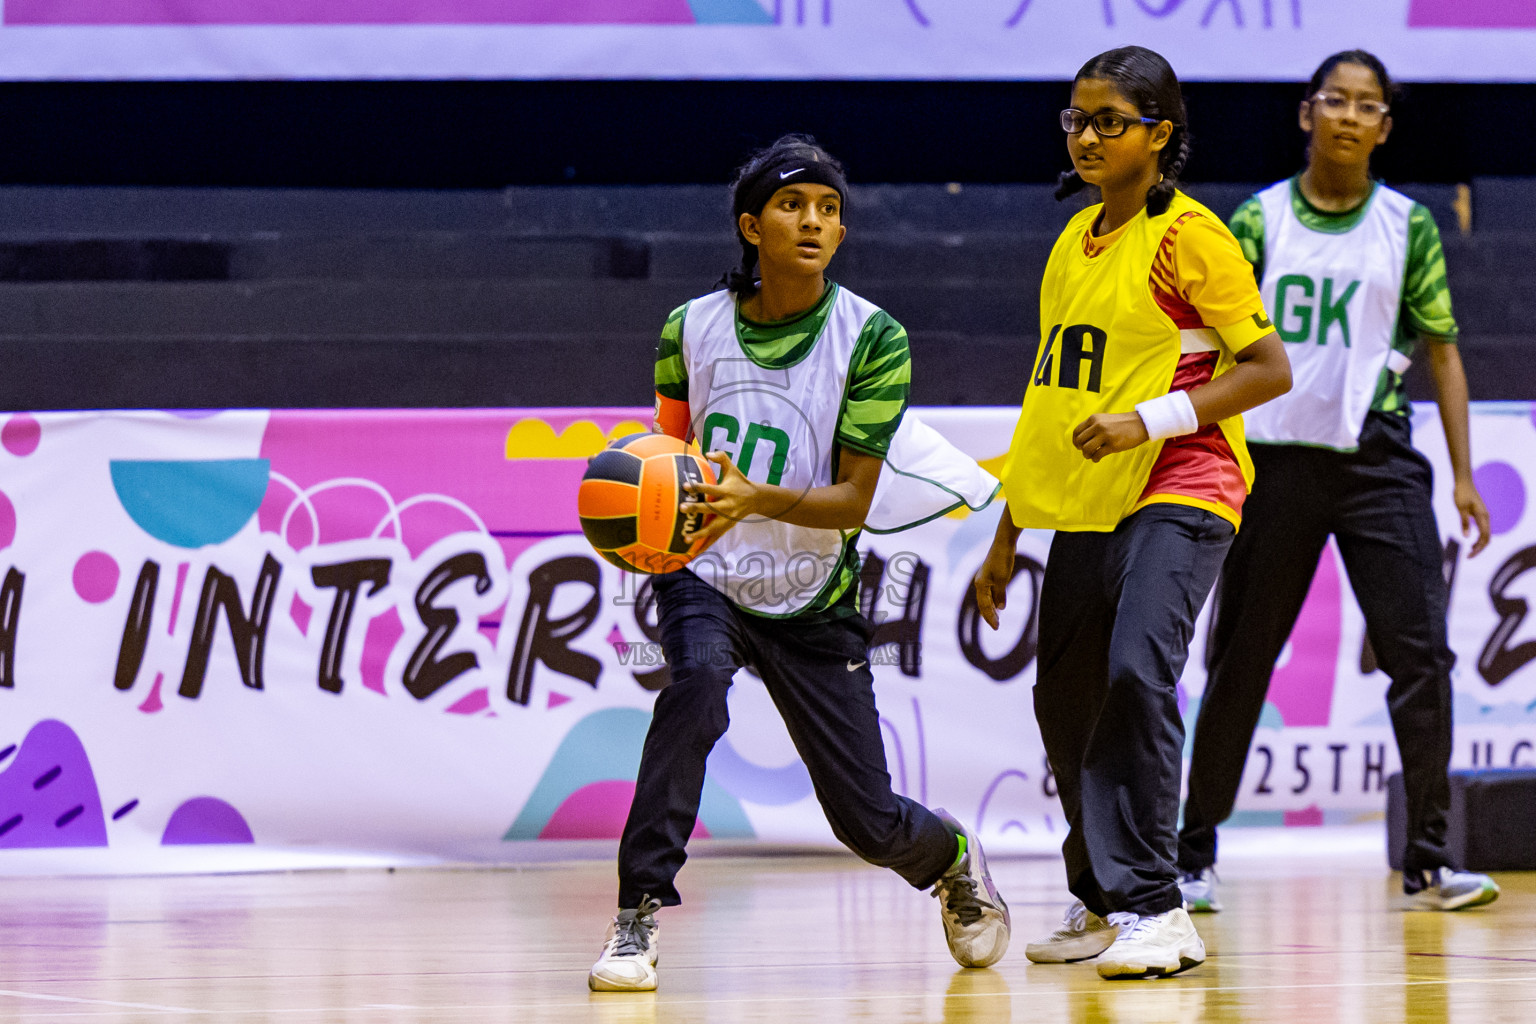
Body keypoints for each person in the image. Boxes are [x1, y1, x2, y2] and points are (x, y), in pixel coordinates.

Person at [587, 134, 1010, 992]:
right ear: (752, 225)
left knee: (866, 819)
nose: (813, 221)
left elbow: (855, 501)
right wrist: (643, 511)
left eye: (828, 210)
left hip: (815, 590)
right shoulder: (689, 327)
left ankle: (951, 856)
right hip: (705, 569)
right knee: (694, 696)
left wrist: (758, 500)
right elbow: (669, 454)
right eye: (791, 205)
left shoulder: (873, 338)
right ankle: (636, 915)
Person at [973, 46, 1293, 979]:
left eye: (1109, 120)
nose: (1085, 136)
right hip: (1087, 495)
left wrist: (1149, 420)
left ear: (1159, 134)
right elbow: (1051, 406)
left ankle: (1162, 905)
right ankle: (1105, 896)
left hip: (1186, 480)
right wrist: (1007, 532)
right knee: (1062, 698)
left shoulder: (1192, 235)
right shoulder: (1072, 243)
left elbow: (1270, 369)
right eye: (1075, 118)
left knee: (1136, 670)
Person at [1177, 50, 1499, 914]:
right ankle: (1193, 855)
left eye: (1369, 106)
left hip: (1377, 459)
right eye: (1337, 101)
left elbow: (1442, 351)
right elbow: (1207, 345)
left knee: (1421, 656)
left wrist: (1464, 476)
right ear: (1306, 113)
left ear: (1385, 127)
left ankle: (1430, 859)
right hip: (1272, 464)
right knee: (1241, 662)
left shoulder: (1409, 225)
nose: (1351, 116)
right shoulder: (1256, 220)